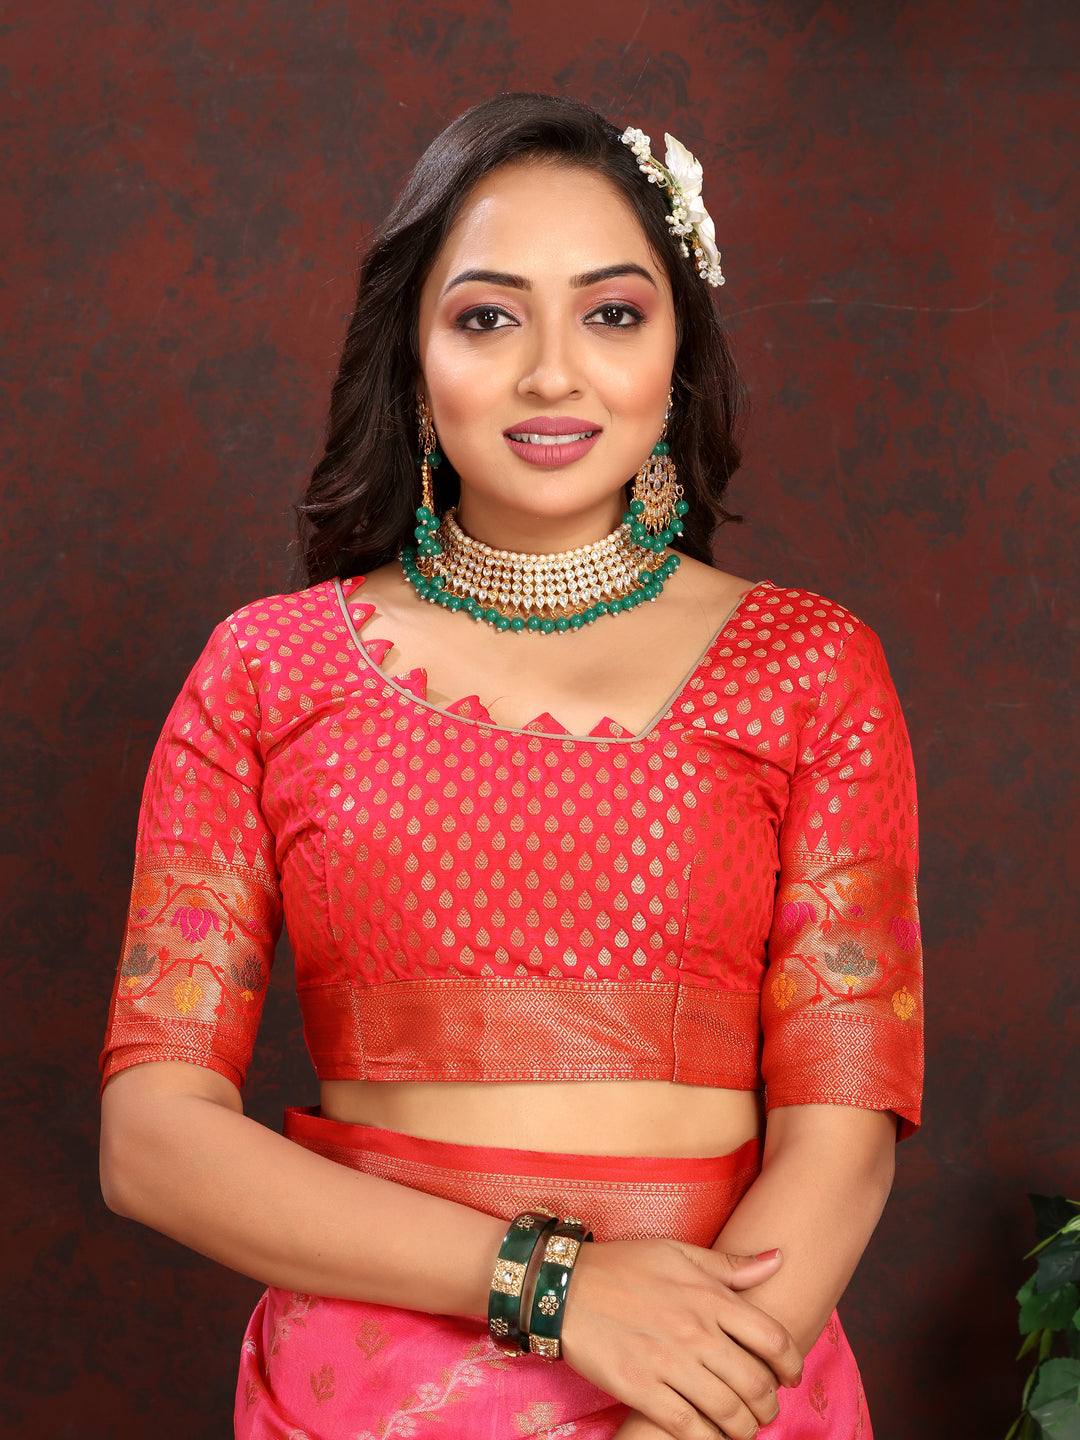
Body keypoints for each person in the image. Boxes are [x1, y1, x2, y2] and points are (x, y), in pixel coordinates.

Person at [99, 92, 923, 1440]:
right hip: (363, 1397)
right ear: (414, 358)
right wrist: (553, 1291)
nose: (553, 374)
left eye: (612, 313)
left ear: (679, 351)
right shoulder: (266, 670)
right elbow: (152, 1139)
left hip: (724, 1390)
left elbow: (844, 1136)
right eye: (488, 316)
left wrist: (693, 1407)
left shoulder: (811, 667)